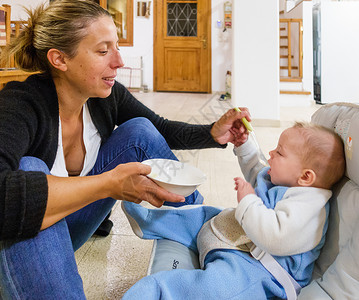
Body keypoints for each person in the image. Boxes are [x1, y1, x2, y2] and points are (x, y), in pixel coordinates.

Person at [0, 0, 251, 299]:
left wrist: (213, 133)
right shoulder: (19, 105)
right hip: (17, 243)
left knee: (139, 130)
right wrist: (109, 184)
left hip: (66, 228)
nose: (119, 61)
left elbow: (160, 130)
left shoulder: (104, 95)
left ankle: (205, 226)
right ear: (59, 59)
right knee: (29, 168)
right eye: (103, 50)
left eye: (117, 46)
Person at [122, 122, 346, 300]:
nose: (271, 153)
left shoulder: (310, 208)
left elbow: (275, 237)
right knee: (200, 215)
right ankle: (149, 221)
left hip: (257, 268)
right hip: (241, 241)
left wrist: (249, 201)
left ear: (306, 176)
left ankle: (158, 290)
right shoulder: (288, 181)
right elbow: (258, 172)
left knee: (216, 288)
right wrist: (244, 146)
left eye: (279, 152)